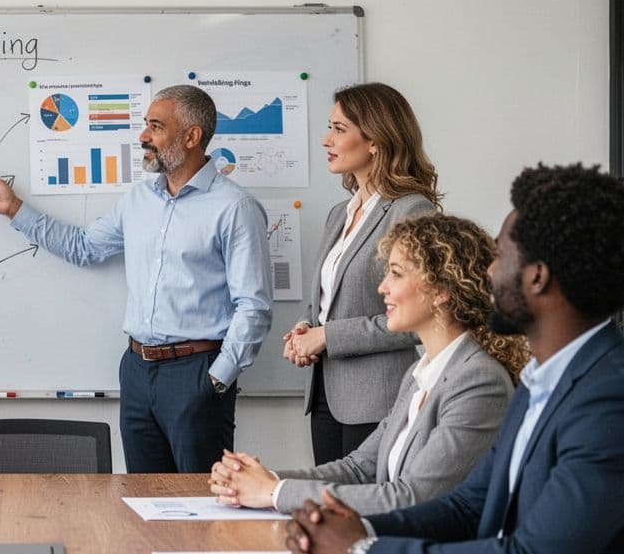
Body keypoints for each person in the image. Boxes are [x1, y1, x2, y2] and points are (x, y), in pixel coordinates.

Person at [285, 164, 624, 554]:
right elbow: (468, 505)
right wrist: (350, 528)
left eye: (502, 253)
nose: (489, 271)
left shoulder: (614, 401)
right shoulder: (545, 380)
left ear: (537, 277)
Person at [0, 84, 273, 473]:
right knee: (144, 503)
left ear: (191, 136)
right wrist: (13, 208)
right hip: (137, 371)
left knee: (203, 506)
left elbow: (253, 306)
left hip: (197, 374)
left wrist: (218, 379)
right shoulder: (138, 201)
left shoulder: (235, 208)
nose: (143, 136)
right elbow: (83, 247)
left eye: (155, 126)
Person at [209, 214, 527, 515]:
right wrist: (262, 478)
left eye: (396, 274)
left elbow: (411, 497)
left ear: (441, 290)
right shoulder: (423, 373)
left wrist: (272, 493)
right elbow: (359, 468)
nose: (382, 287)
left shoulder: (479, 381)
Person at [285, 83, 441, 465]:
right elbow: (329, 302)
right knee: (328, 511)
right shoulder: (339, 213)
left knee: (362, 517)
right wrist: (306, 330)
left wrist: (327, 337)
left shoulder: (412, 211)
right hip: (324, 394)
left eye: (339, 129)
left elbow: (418, 316)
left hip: (377, 399)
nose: (326, 140)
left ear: (375, 140)